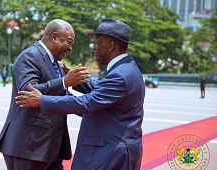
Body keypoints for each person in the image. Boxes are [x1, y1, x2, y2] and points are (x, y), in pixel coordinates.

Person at [15, 18, 145, 170]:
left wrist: (43, 100)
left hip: (110, 152)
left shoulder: (120, 75)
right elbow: (103, 90)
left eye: (97, 43)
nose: (94, 48)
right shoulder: (124, 69)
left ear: (111, 45)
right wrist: (77, 80)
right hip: (111, 149)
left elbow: (88, 102)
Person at [0, 19, 90, 170]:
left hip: (51, 149)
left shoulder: (55, 64)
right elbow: (27, 91)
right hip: (28, 148)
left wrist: (92, 109)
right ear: (54, 37)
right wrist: (64, 82)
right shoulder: (29, 57)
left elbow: (61, 97)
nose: (70, 48)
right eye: (69, 42)